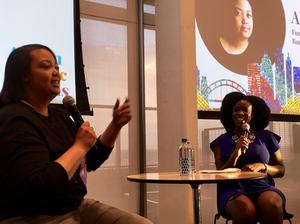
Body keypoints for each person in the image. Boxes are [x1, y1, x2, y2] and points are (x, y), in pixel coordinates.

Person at [0, 44, 152, 224]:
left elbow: (92, 159)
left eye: (56, 67)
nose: (56, 72)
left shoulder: (59, 115)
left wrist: (115, 125)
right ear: (24, 75)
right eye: (46, 66)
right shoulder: (13, 119)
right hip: (33, 215)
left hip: (74, 206)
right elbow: (41, 187)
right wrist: (79, 146)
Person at [210, 92, 287, 224]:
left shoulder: (267, 137)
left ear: (252, 116)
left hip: (263, 186)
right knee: (245, 210)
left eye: (244, 110)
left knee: (272, 205)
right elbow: (220, 174)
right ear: (230, 113)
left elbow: (281, 170)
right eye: (236, 110)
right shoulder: (220, 142)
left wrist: (264, 167)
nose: (240, 113)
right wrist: (236, 153)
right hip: (233, 190)